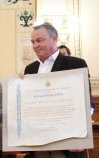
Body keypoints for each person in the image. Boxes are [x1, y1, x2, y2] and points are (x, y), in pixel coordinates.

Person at [24, 22, 94, 158]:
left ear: (54, 39)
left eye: (39, 40)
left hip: (68, 144)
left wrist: (80, 137)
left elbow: (87, 103)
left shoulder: (76, 64)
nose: (35, 45)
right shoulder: (30, 69)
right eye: (33, 42)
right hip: (39, 143)